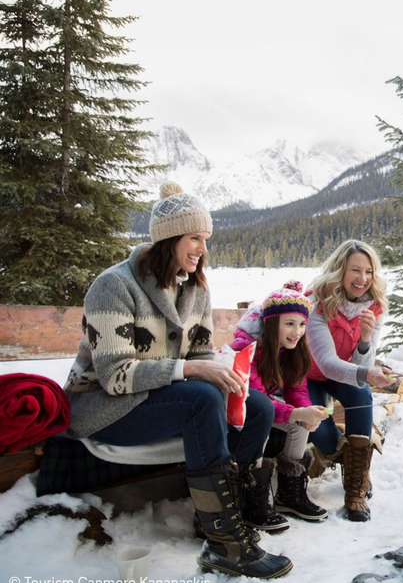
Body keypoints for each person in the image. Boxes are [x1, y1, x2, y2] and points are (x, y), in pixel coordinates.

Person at [62, 182, 291, 579]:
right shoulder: (114, 286)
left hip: (160, 396)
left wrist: (224, 377)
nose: (202, 248)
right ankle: (225, 546)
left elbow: (201, 354)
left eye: (205, 238)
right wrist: (191, 371)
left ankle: (221, 515)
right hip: (106, 406)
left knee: (257, 406)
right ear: (169, 238)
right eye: (194, 238)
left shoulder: (195, 288)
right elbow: (114, 376)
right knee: (201, 398)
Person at [304, 239, 392, 522]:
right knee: (326, 439)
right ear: (339, 270)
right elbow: (327, 364)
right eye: (356, 270)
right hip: (306, 374)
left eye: (369, 272)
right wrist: (366, 374)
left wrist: (365, 339)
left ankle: (356, 486)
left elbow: (358, 370)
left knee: (361, 394)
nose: (363, 279)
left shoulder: (374, 307)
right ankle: (347, 456)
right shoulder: (317, 302)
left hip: (343, 374)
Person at [229, 280, 329, 526]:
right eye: (290, 324)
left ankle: (289, 493)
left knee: (298, 425)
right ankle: (253, 499)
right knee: (265, 418)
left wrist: (305, 411)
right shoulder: (247, 348)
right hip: (236, 411)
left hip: (261, 405)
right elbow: (256, 401)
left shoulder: (290, 349)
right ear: (272, 323)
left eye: (302, 324)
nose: (297, 331)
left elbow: (297, 389)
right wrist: (296, 412)